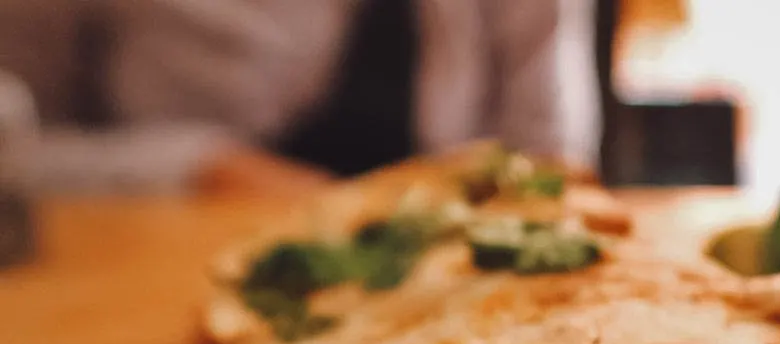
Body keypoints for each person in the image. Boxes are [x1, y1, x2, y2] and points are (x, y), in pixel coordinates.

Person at [0, 0, 600, 197]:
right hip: (147, 289)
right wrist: (199, 166)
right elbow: (16, 150)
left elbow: (554, 162)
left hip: (455, 293)